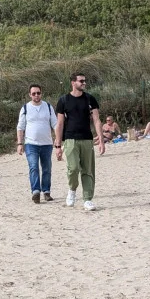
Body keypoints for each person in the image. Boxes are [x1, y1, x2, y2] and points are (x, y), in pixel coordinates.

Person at [54, 73, 105, 211]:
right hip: (70, 139)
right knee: (73, 168)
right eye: (81, 81)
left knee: (88, 170)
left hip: (87, 139)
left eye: (85, 81)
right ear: (73, 83)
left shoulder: (90, 99)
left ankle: (87, 199)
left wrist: (101, 140)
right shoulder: (63, 100)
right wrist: (58, 145)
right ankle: (72, 189)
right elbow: (59, 124)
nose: (84, 83)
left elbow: (96, 120)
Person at [16, 84, 58, 204]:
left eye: (38, 93)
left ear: (41, 93)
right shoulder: (25, 108)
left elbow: (55, 124)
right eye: (34, 93)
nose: (36, 95)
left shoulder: (48, 107)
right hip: (31, 144)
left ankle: (46, 191)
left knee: (47, 168)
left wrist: (57, 139)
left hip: (47, 143)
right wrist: (20, 143)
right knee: (33, 167)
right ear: (30, 95)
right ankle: (36, 191)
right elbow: (20, 127)